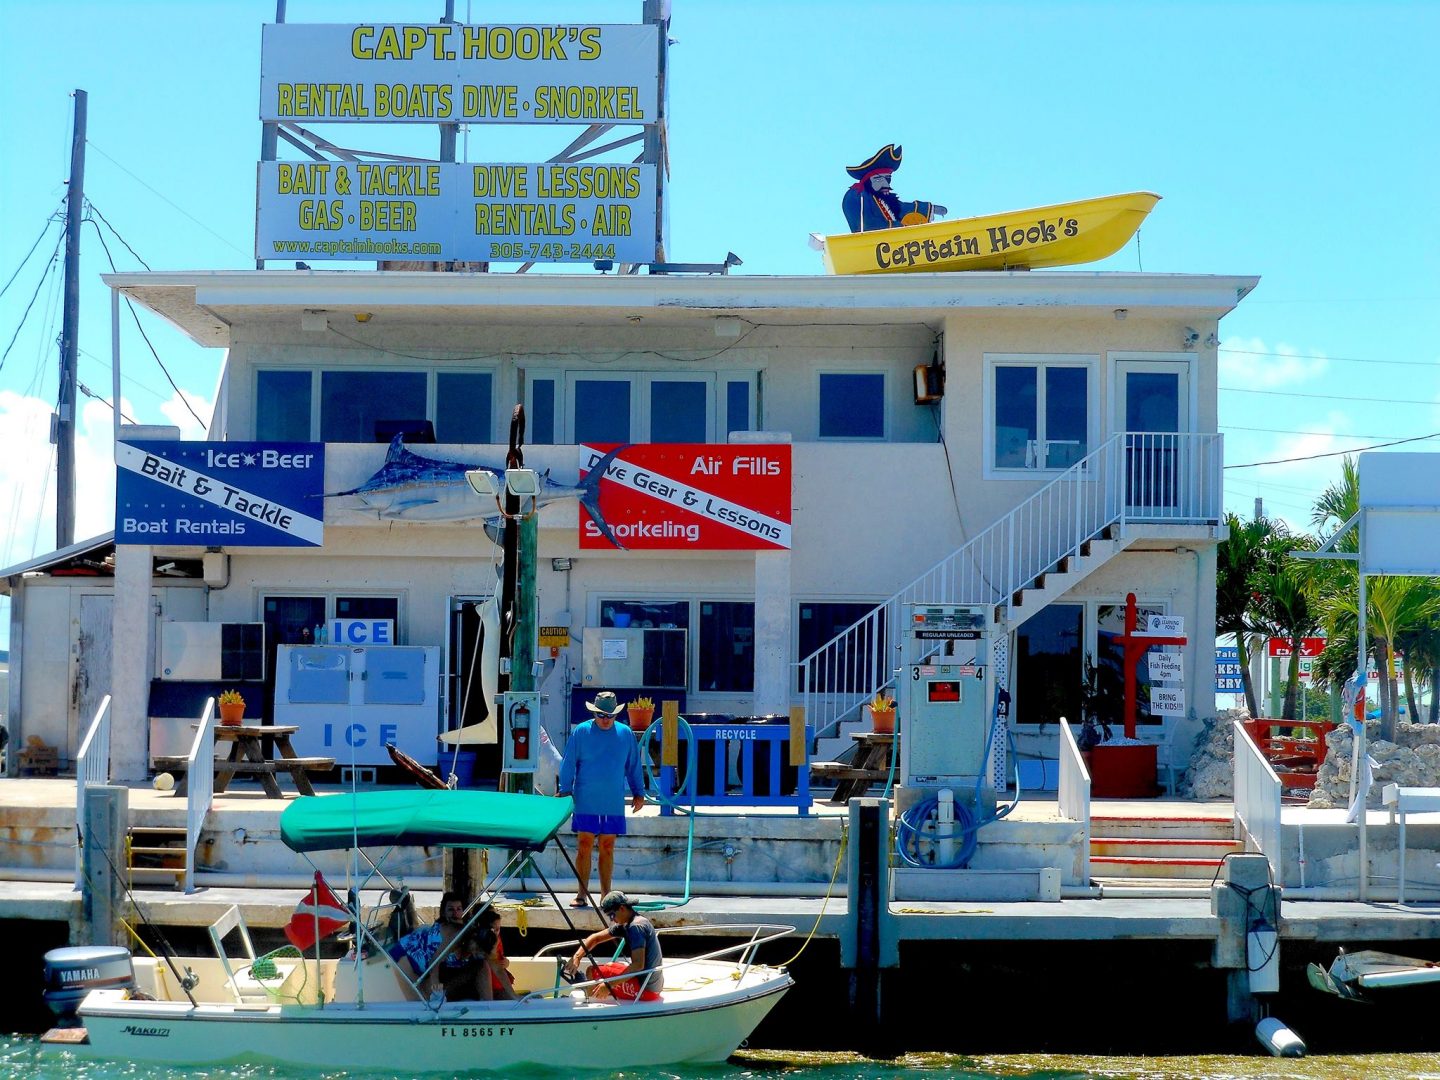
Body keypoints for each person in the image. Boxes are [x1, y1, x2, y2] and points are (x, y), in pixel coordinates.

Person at [556, 691, 645, 907]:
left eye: (610, 716)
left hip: (613, 800)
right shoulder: (581, 732)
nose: (605, 719)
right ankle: (581, 894)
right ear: (594, 713)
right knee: (584, 844)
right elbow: (568, 762)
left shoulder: (625, 733)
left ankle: (606, 895)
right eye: (601, 715)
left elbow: (633, 765)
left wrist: (639, 792)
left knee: (607, 846)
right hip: (586, 798)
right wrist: (565, 789)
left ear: (616, 715)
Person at [565, 890, 663, 1002]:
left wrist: (608, 984)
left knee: (592, 972)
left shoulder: (635, 927)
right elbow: (595, 938)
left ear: (622, 908)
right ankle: (592, 991)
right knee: (609, 965)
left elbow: (638, 966)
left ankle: (590, 1000)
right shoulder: (629, 922)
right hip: (652, 983)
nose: (612, 920)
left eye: (612, 915)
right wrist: (577, 957)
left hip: (646, 990)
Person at [841, 143, 946, 233]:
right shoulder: (856, 195)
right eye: (879, 179)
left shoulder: (883, 199)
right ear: (868, 180)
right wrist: (900, 226)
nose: (885, 184)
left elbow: (901, 209)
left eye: (888, 179)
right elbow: (868, 225)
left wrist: (928, 209)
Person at [388, 891, 471, 999]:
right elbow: (435, 961)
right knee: (417, 1002)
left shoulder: (463, 930)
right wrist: (435, 983)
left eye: (458, 909)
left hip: (416, 947)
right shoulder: (451, 931)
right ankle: (404, 906)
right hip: (407, 957)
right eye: (451, 909)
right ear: (444, 912)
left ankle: (406, 905)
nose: (455, 913)